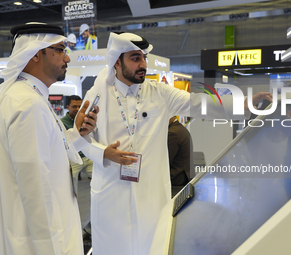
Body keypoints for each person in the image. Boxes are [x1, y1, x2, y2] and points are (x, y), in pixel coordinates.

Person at [80, 32, 272, 255]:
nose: (143, 64)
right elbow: (80, 138)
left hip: (150, 194)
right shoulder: (97, 96)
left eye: (144, 58)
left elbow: (199, 103)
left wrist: (244, 103)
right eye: (135, 58)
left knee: (151, 247)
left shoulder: (159, 93)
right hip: (111, 194)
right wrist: (103, 153)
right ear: (117, 61)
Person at [0, 22, 98, 255]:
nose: (68, 59)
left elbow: (49, 154)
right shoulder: (27, 104)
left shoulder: (28, 97)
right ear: (35, 53)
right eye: (61, 50)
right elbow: (37, 192)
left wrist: (77, 134)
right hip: (39, 243)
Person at [61, 95, 93, 194]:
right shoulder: (62, 123)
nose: (77, 109)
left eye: (79, 106)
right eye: (74, 106)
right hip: (72, 160)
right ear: (67, 107)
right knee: (70, 190)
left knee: (102, 176)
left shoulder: (85, 120)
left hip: (87, 157)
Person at [168, 116, 193, 197]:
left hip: (176, 182)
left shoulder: (173, 133)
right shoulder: (179, 129)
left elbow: (165, 161)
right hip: (182, 180)